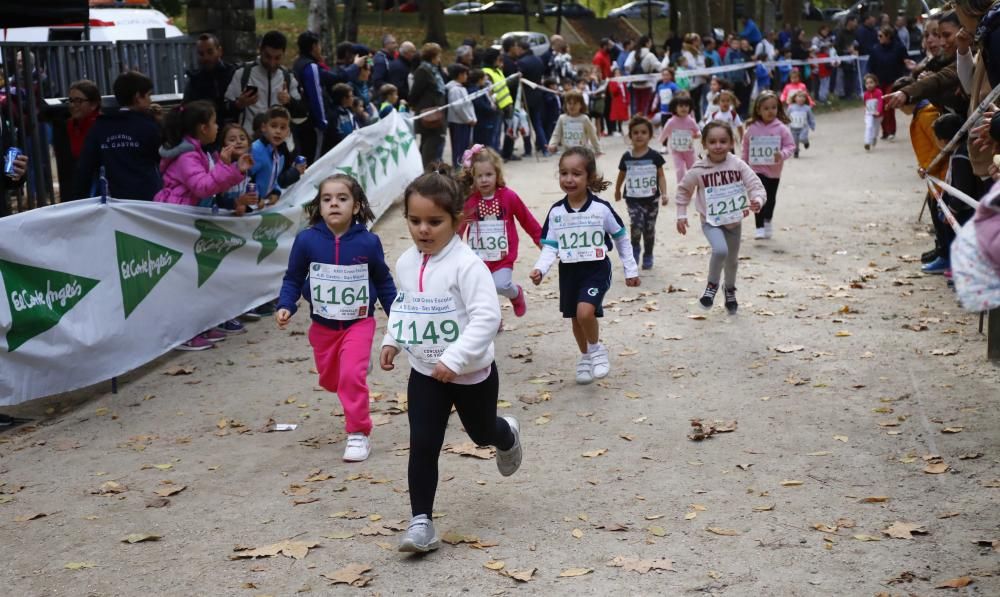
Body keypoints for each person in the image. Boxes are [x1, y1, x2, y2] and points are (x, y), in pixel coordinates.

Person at [380, 169, 523, 553]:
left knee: (480, 433)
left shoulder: (467, 265)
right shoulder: (406, 263)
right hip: (425, 372)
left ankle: (505, 434)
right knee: (423, 443)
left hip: (471, 373)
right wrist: (392, 339)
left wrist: (457, 358)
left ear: (457, 221)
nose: (423, 230)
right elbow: (406, 306)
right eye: (414, 221)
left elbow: (487, 318)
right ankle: (421, 523)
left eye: (434, 221)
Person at [277, 174, 397, 462]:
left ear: (355, 207)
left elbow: (383, 281)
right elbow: (293, 278)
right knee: (332, 381)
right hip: (323, 327)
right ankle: (352, 368)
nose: (334, 204)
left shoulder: (368, 242)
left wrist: (397, 315)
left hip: (358, 323)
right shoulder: (306, 241)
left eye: (342, 199)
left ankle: (358, 434)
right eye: (326, 199)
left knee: (350, 376)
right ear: (319, 206)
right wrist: (286, 304)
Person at [529, 147, 640, 385]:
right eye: (564, 173)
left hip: (596, 269)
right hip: (569, 271)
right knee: (575, 318)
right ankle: (585, 357)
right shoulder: (557, 211)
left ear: (589, 177)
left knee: (585, 312)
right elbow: (550, 245)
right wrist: (541, 268)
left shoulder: (601, 209)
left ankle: (597, 350)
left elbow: (621, 236)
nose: (569, 179)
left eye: (576, 173)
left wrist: (630, 269)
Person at [676, 122, 766, 315]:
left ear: (731, 142)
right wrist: (681, 214)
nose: (718, 146)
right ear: (704, 144)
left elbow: (755, 185)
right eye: (713, 141)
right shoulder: (699, 169)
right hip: (711, 222)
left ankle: (730, 290)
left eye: (723, 141)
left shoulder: (737, 165)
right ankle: (712, 286)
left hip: (734, 221)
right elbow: (684, 191)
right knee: (720, 251)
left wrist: (757, 200)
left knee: (732, 260)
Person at [457, 144, 541, 319]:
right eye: (479, 176)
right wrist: (451, 248)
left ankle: (516, 294)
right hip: (478, 257)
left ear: (497, 174)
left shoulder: (509, 197)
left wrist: (541, 239)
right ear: (472, 177)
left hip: (503, 255)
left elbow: (527, 219)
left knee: (500, 285)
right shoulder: (471, 202)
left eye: (489, 174)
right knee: (482, 293)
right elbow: (460, 228)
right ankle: (493, 321)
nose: (484, 180)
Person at [72, 71, 161, 201]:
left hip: (116, 199)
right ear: (138, 97)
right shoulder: (148, 126)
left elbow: (85, 168)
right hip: (148, 197)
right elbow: (163, 159)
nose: (150, 100)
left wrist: (79, 199)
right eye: (148, 95)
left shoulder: (101, 126)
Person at [154, 100, 251, 207]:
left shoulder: (197, 153)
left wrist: (236, 168)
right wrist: (222, 165)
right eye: (214, 122)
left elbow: (214, 185)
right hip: (179, 214)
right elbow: (203, 188)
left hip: (186, 211)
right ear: (204, 128)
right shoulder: (187, 158)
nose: (217, 126)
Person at [225, 31, 306, 136]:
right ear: (260, 50)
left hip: (280, 142)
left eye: (277, 58)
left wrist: (289, 101)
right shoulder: (242, 73)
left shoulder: (289, 77)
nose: (272, 63)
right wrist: (239, 104)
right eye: (268, 56)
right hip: (250, 141)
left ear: (283, 54)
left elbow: (303, 114)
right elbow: (224, 109)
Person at [615, 116, 668, 270]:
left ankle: (648, 254)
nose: (639, 135)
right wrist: (618, 189)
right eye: (635, 132)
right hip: (633, 199)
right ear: (630, 136)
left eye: (643, 132)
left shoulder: (655, 156)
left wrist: (664, 193)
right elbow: (621, 175)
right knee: (636, 227)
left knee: (649, 229)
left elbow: (661, 176)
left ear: (650, 135)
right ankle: (635, 248)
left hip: (651, 200)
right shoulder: (627, 157)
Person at [741, 91, 795, 240]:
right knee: (758, 197)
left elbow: (790, 146)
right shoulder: (752, 128)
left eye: (773, 107)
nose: (770, 111)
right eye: (766, 108)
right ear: (758, 110)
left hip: (774, 172)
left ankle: (767, 220)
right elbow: (745, 147)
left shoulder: (782, 128)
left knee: (770, 198)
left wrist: (781, 154)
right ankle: (759, 226)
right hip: (756, 170)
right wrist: (743, 165)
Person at [52, 79, 100, 202]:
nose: (73, 105)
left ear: (93, 104)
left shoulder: (102, 127)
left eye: (79, 101)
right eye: (71, 101)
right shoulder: (66, 127)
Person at [248, 105, 304, 206]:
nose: (278, 131)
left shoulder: (281, 151)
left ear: (287, 132)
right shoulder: (256, 150)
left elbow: (276, 178)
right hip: (249, 205)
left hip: (264, 205)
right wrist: (256, 197)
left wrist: (275, 192)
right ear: (264, 127)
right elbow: (245, 178)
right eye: (273, 126)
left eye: (283, 128)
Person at [409, 43, 449, 170]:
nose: (439, 59)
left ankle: (429, 168)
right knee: (429, 145)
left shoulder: (435, 70)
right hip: (429, 113)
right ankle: (426, 170)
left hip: (437, 112)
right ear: (432, 56)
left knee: (434, 142)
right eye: (438, 56)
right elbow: (415, 92)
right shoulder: (423, 71)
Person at [183, 33, 237, 126]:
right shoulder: (194, 79)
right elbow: (187, 108)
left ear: (219, 51)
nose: (206, 57)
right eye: (201, 54)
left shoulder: (233, 73)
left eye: (210, 52)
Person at [867, 26, 909, 140]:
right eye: (878, 36)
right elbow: (870, 65)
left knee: (888, 105)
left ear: (888, 36)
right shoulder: (875, 49)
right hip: (879, 82)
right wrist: (869, 78)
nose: (878, 38)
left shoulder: (899, 48)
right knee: (880, 107)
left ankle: (891, 130)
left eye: (881, 36)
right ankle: (884, 131)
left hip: (893, 81)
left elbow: (905, 61)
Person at [214, 123, 259, 215]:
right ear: (224, 145)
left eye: (242, 138)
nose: (238, 142)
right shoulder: (219, 167)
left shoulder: (249, 167)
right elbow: (217, 199)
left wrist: (254, 202)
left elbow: (248, 196)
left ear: (249, 144)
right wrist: (237, 202)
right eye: (232, 140)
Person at [517, 40, 549, 156]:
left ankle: (528, 149)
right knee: (537, 123)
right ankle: (544, 148)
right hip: (537, 94)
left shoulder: (521, 62)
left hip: (526, 95)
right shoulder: (538, 60)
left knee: (525, 123)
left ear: (521, 49)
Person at [658, 94, 700, 183]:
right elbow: (665, 132)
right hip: (676, 151)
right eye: (681, 106)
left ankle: (692, 184)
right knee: (679, 169)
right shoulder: (671, 122)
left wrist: (698, 135)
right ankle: (681, 186)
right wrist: (661, 140)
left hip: (689, 150)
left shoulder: (690, 121)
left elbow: (697, 131)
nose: (684, 108)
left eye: (686, 106)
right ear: (674, 108)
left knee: (692, 169)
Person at [548, 90, 601, 154]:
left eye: (575, 103)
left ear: (581, 105)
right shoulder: (562, 118)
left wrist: (598, 150)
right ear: (565, 104)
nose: (572, 106)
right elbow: (556, 134)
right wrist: (552, 144)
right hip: (567, 152)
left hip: (582, 152)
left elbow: (592, 135)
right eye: (569, 103)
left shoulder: (584, 119)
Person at [446, 64, 476, 169]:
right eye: (464, 74)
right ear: (459, 75)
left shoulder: (461, 88)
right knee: (459, 147)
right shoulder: (454, 89)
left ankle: (463, 166)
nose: (466, 76)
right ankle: (458, 168)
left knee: (464, 147)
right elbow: (458, 107)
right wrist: (468, 119)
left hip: (464, 122)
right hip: (459, 122)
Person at [625, 35, 660, 118]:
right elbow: (660, 67)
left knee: (637, 105)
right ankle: (643, 121)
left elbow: (626, 66)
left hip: (635, 84)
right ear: (647, 43)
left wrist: (632, 72)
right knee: (645, 105)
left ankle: (637, 120)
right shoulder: (650, 55)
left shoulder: (633, 53)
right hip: (646, 84)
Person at [469, 70, 499, 149]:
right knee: (484, 143)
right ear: (479, 80)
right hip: (483, 121)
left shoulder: (479, 89)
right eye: (483, 79)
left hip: (485, 120)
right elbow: (481, 105)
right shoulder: (475, 91)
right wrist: (491, 109)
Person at [786, 91, 816, 158]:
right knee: (794, 142)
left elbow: (811, 117)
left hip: (803, 127)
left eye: (803, 97)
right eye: (799, 96)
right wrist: (785, 125)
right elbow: (787, 116)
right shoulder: (791, 107)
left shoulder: (807, 108)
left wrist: (812, 125)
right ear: (795, 98)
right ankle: (796, 152)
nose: (801, 98)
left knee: (802, 138)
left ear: (805, 99)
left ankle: (806, 142)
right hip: (793, 128)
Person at [607, 65, 630, 136]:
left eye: (619, 73)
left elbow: (626, 91)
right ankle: (615, 129)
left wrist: (627, 100)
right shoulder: (612, 82)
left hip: (623, 100)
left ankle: (620, 128)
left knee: (622, 117)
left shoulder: (623, 82)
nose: (618, 75)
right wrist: (617, 85)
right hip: (616, 101)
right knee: (616, 116)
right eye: (616, 73)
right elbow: (613, 91)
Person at [862, 74, 883, 151]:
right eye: (867, 83)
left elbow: (880, 102)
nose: (869, 85)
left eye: (871, 82)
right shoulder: (865, 94)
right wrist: (865, 109)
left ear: (876, 83)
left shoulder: (879, 92)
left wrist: (878, 111)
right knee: (869, 126)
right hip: (869, 113)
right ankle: (867, 142)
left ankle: (874, 137)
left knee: (876, 129)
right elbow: (865, 103)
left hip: (878, 114)